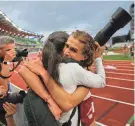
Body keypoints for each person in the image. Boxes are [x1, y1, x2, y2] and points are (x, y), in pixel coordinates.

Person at [19, 30, 105, 126]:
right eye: (67, 46)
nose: (67, 52)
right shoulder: (72, 69)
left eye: (73, 49)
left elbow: (23, 70)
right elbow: (67, 104)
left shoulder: (45, 65)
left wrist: (49, 98)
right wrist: (97, 60)